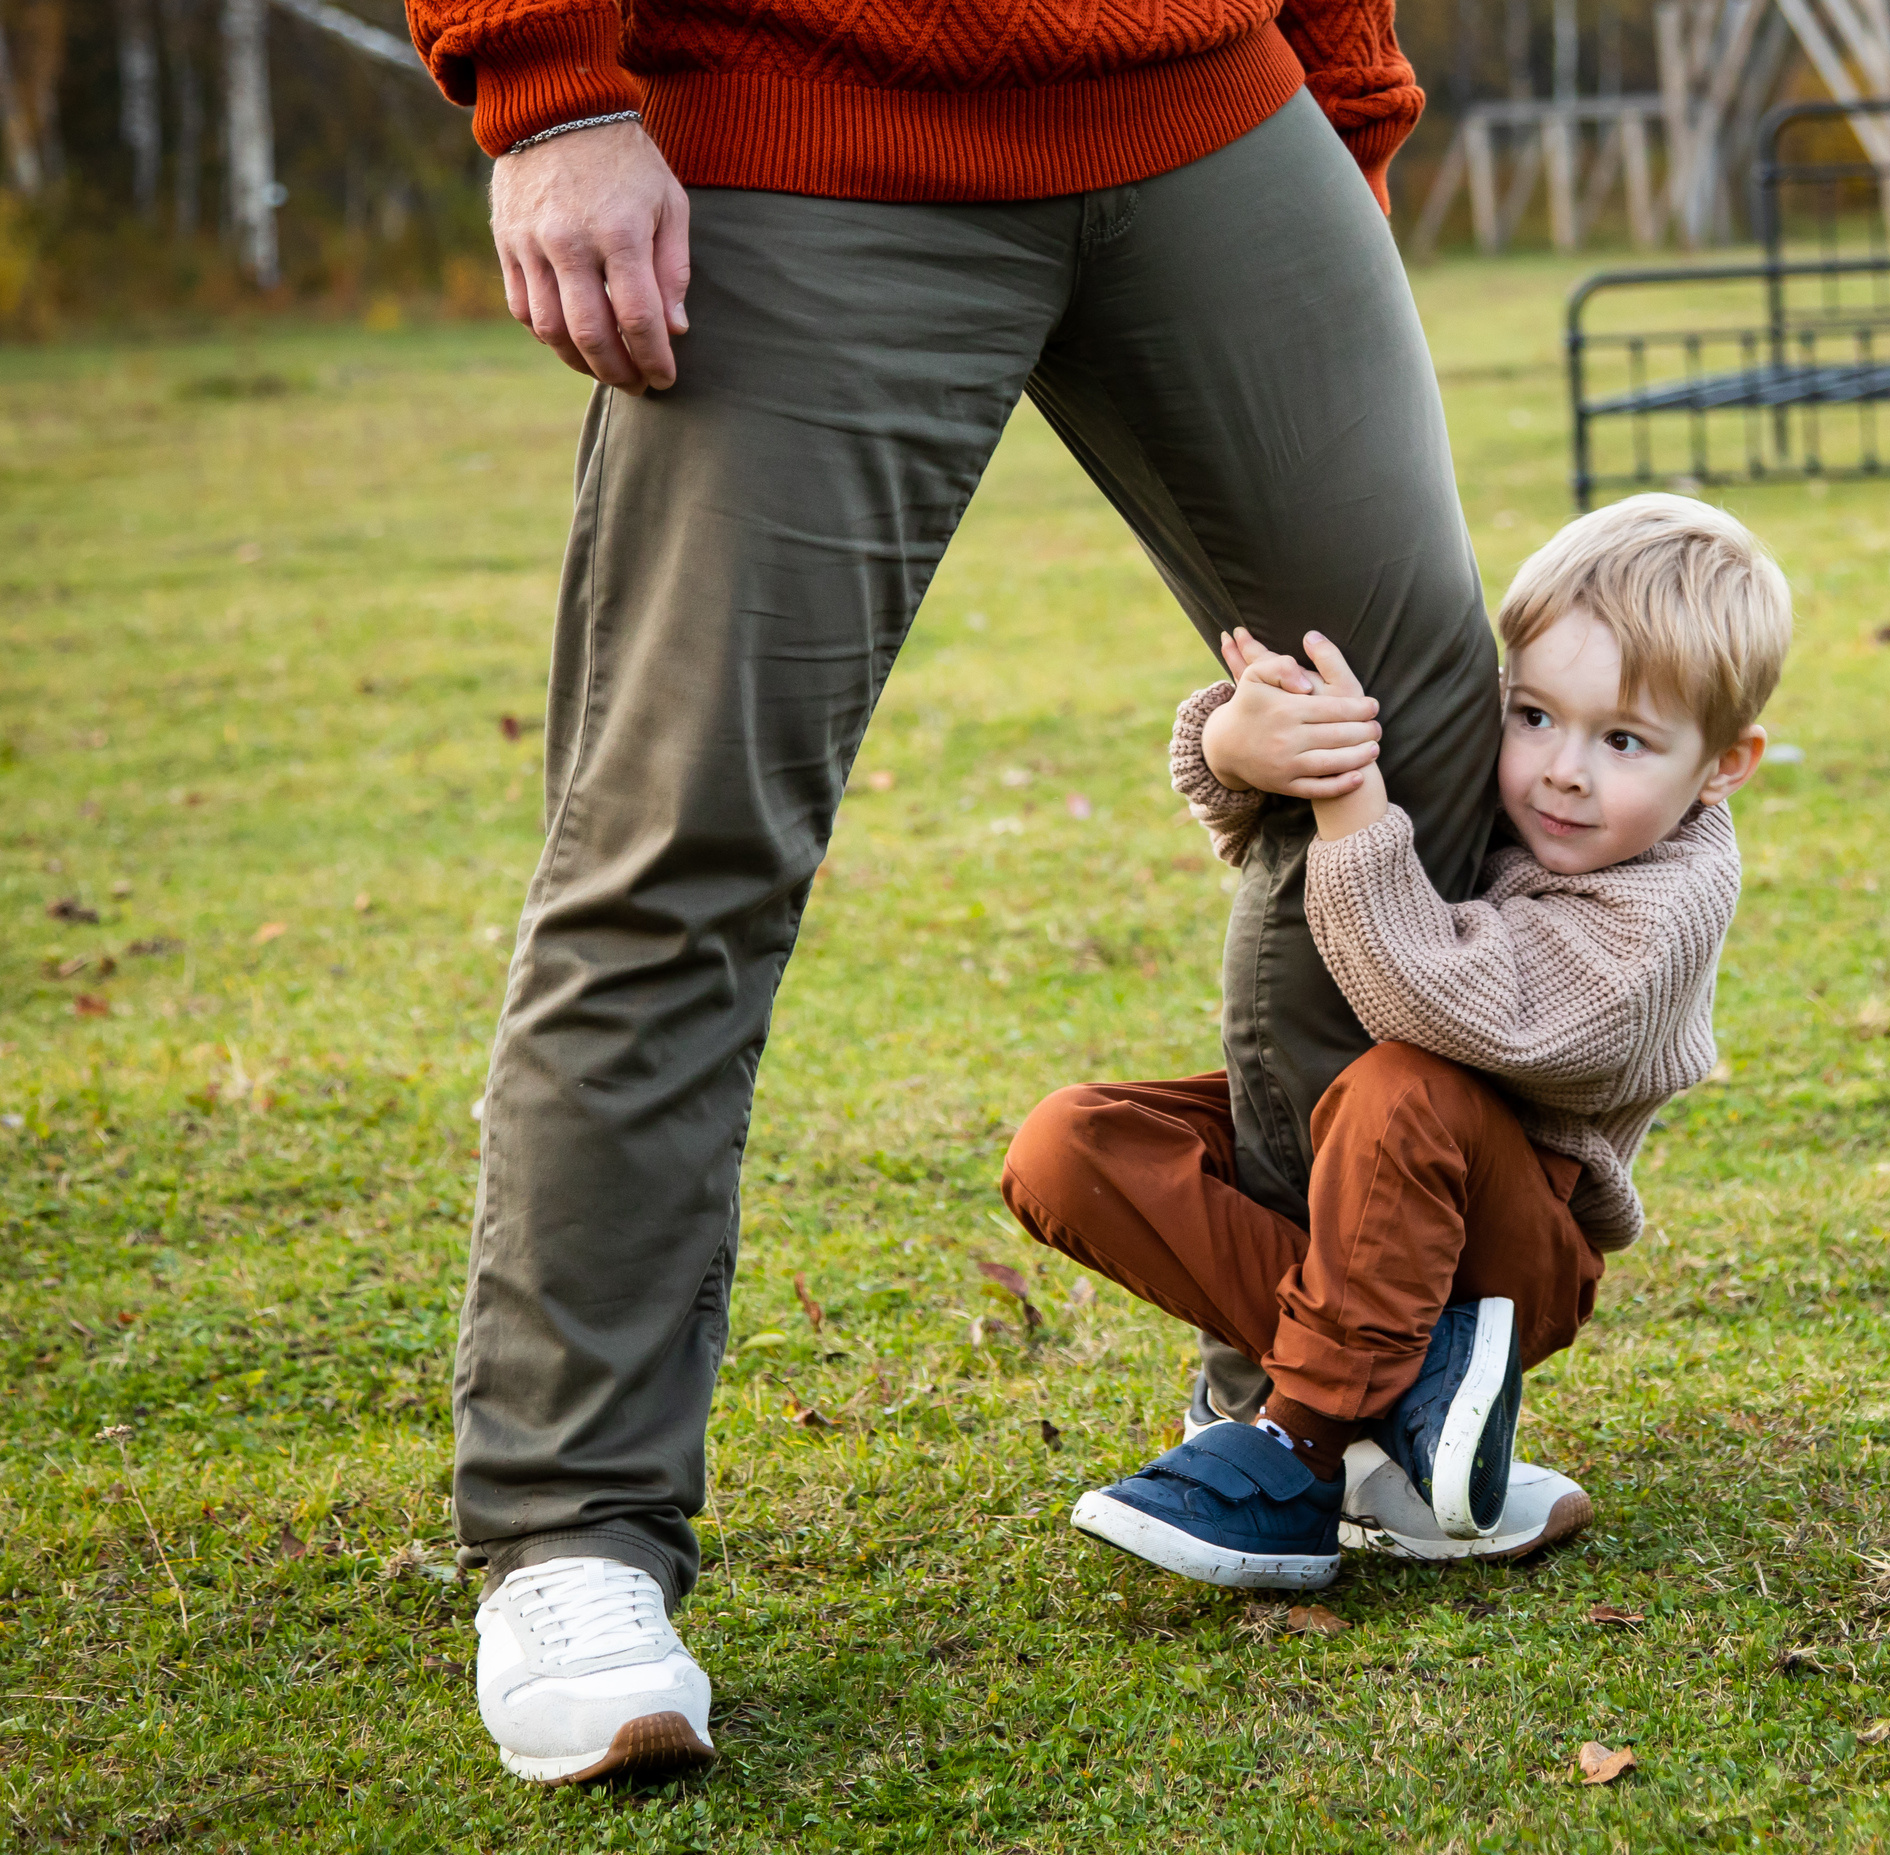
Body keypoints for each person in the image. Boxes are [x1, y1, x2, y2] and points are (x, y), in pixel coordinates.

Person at [406, 0, 1502, 1787]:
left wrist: (1346, 90)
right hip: (802, 108)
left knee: (1415, 725)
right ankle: (576, 1536)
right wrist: (545, 94)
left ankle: (1321, 1393)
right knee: (684, 839)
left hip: (1209, 101)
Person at [1002, 494, 1792, 1588]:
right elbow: (1258, 842)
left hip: (1515, 1249)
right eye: (1533, 715)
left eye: (1623, 740)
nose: (1562, 769)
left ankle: (1301, 1450)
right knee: (1068, 1145)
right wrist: (1241, 748)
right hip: (1361, 1202)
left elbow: (1439, 1001)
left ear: (1723, 764)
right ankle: (1419, 1400)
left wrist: (1353, 804)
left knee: (1404, 1084)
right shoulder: (1526, 790)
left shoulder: (1663, 910)